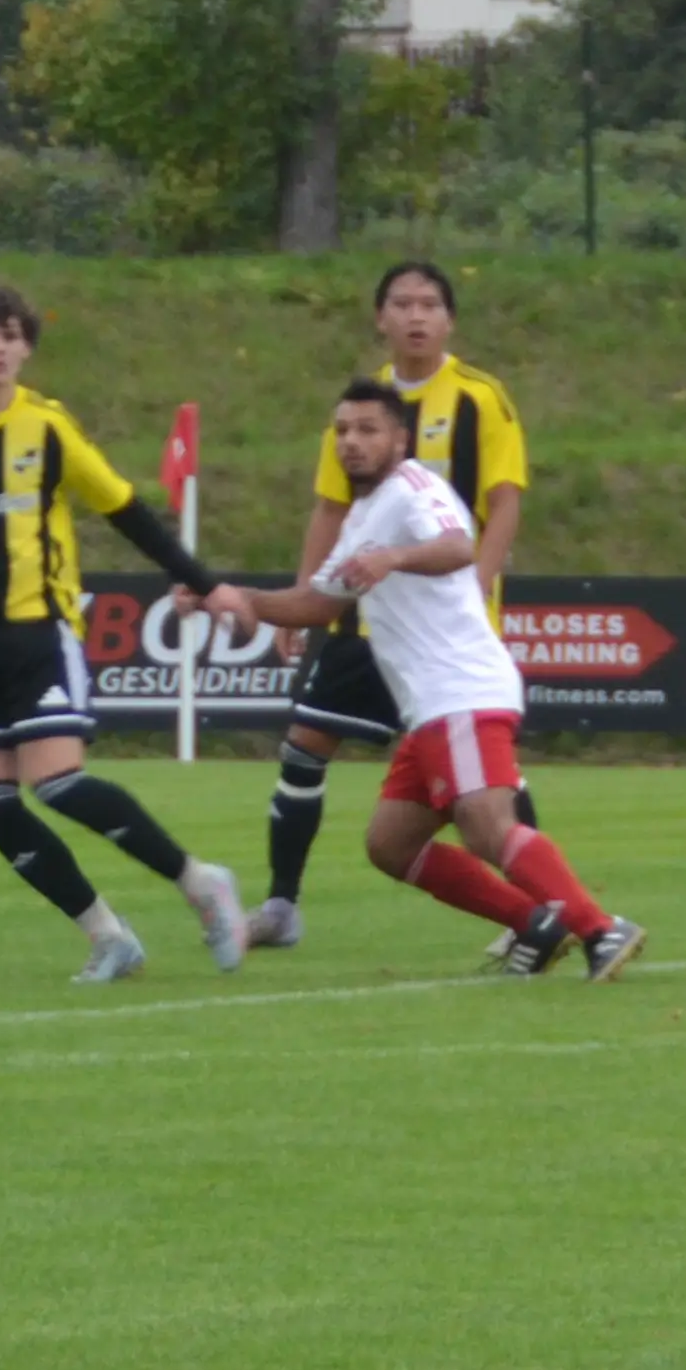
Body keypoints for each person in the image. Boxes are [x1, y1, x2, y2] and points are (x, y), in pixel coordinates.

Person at [0, 284, 245, 984]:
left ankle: (201, 883)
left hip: (38, 632)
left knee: (60, 785)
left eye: (11, 337)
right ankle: (108, 936)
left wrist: (205, 579)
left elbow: (124, 509)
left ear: (26, 349)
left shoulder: (47, 428)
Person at [203, 383, 639, 979]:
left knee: (488, 828)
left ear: (399, 439)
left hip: (461, 689)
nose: (352, 442)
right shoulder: (362, 518)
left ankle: (600, 928)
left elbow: (460, 546)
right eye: (343, 431)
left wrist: (394, 559)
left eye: (368, 429)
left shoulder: (414, 490)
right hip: (429, 707)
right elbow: (313, 605)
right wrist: (224, 595)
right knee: (391, 845)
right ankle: (534, 922)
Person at [249, 260, 532, 952]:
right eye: (401, 303)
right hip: (362, 614)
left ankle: (535, 909)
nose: (415, 315)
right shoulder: (358, 410)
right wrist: (304, 593)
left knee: (489, 787)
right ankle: (282, 903)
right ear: (379, 317)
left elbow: (503, 503)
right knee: (305, 745)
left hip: (443, 627)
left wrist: (478, 588)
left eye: (429, 303)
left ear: (449, 320)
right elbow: (329, 506)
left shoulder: (479, 398)